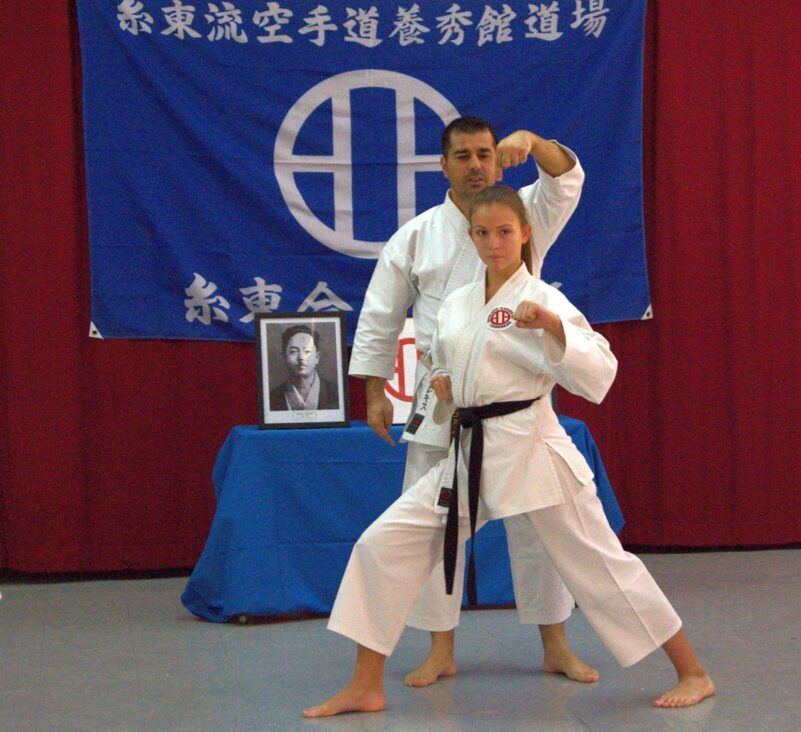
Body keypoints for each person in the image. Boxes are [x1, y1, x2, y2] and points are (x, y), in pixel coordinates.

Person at [303, 186, 715, 717]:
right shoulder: (458, 301)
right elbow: (444, 356)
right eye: (482, 233)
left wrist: (554, 328)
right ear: (470, 236)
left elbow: (601, 370)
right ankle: (366, 684)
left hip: (531, 451)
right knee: (383, 544)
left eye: (504, 232)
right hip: (468, 453)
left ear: (525, 233)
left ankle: (693, 671)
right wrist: (446, 380)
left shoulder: (542, 299)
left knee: (602, 565)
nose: (493, 243)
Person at [348, 116, 595, 687]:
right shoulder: (417, 236)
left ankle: (556, 644)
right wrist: (374, 391)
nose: (476, 165)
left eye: (485, 153)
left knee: (539, 531)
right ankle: (440, 648)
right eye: (463, 156)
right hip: (443, 402)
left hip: (515, 400)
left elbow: (565, 181)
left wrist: (534, 142)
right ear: (444, 165)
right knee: (434, 530)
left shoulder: (523, 215)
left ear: (498, 160)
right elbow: (381, 315)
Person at [269, 324, 339, 411]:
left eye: (307, 351)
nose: (301, 358)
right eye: (293, 351)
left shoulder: (337, 393)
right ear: (284, 356)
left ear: (317, 357)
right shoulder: (271, 398)